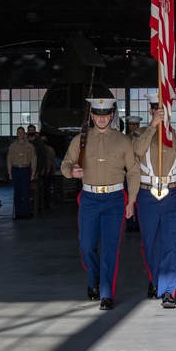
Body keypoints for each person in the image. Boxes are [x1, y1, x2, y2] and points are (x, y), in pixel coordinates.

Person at [61, 97, 139, 310]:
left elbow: (133, 172)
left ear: (112, 115)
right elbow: (66, 163)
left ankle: (106, 293)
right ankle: (93, 280)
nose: (102, 119)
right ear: (92, 116)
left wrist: (131, 200)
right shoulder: (81, 140)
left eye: (106, 114)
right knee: (86, 246)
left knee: (110, 248)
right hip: (89, 199)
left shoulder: (124, 141)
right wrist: (71, 171)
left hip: (115, 199)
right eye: (98, 114)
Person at [133, 93, 176, 308]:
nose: (159, 113)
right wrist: (152, 126)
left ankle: (168, 290)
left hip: (172, 194)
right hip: (146, 194)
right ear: (150, 111)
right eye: (155, 109)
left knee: (171, 243)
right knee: (150, 243)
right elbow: (137, 151)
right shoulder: (139, 135)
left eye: (163, 110)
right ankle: (155, 278)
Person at [8, 126, 37, 219]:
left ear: (25, 134)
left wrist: (33, 173)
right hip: (16, 169)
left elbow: (33, 159)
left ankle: (26, 213)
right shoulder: (12, 146)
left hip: (26, 169)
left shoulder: (30, 146)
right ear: (16, 134)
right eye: (18, 133)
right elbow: (9, 160)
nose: (20, 134)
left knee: (26, 192)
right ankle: (18, 213)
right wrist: (10, 172)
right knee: (17, 192)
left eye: (22, 132)